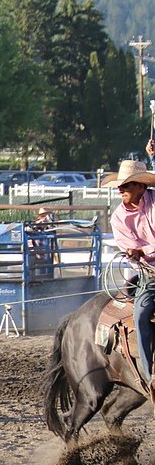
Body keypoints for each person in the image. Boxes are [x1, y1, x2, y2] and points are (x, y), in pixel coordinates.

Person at [103, 159, 155, 385]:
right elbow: (128, 248)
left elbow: (142, 247)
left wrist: (142, 249)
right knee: (141, 315)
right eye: (120, 186)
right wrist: (134, 256)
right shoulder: (118, 217)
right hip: (151, 275)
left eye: (127, 185)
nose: (120, 189)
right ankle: (150, 373)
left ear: (142, 186)